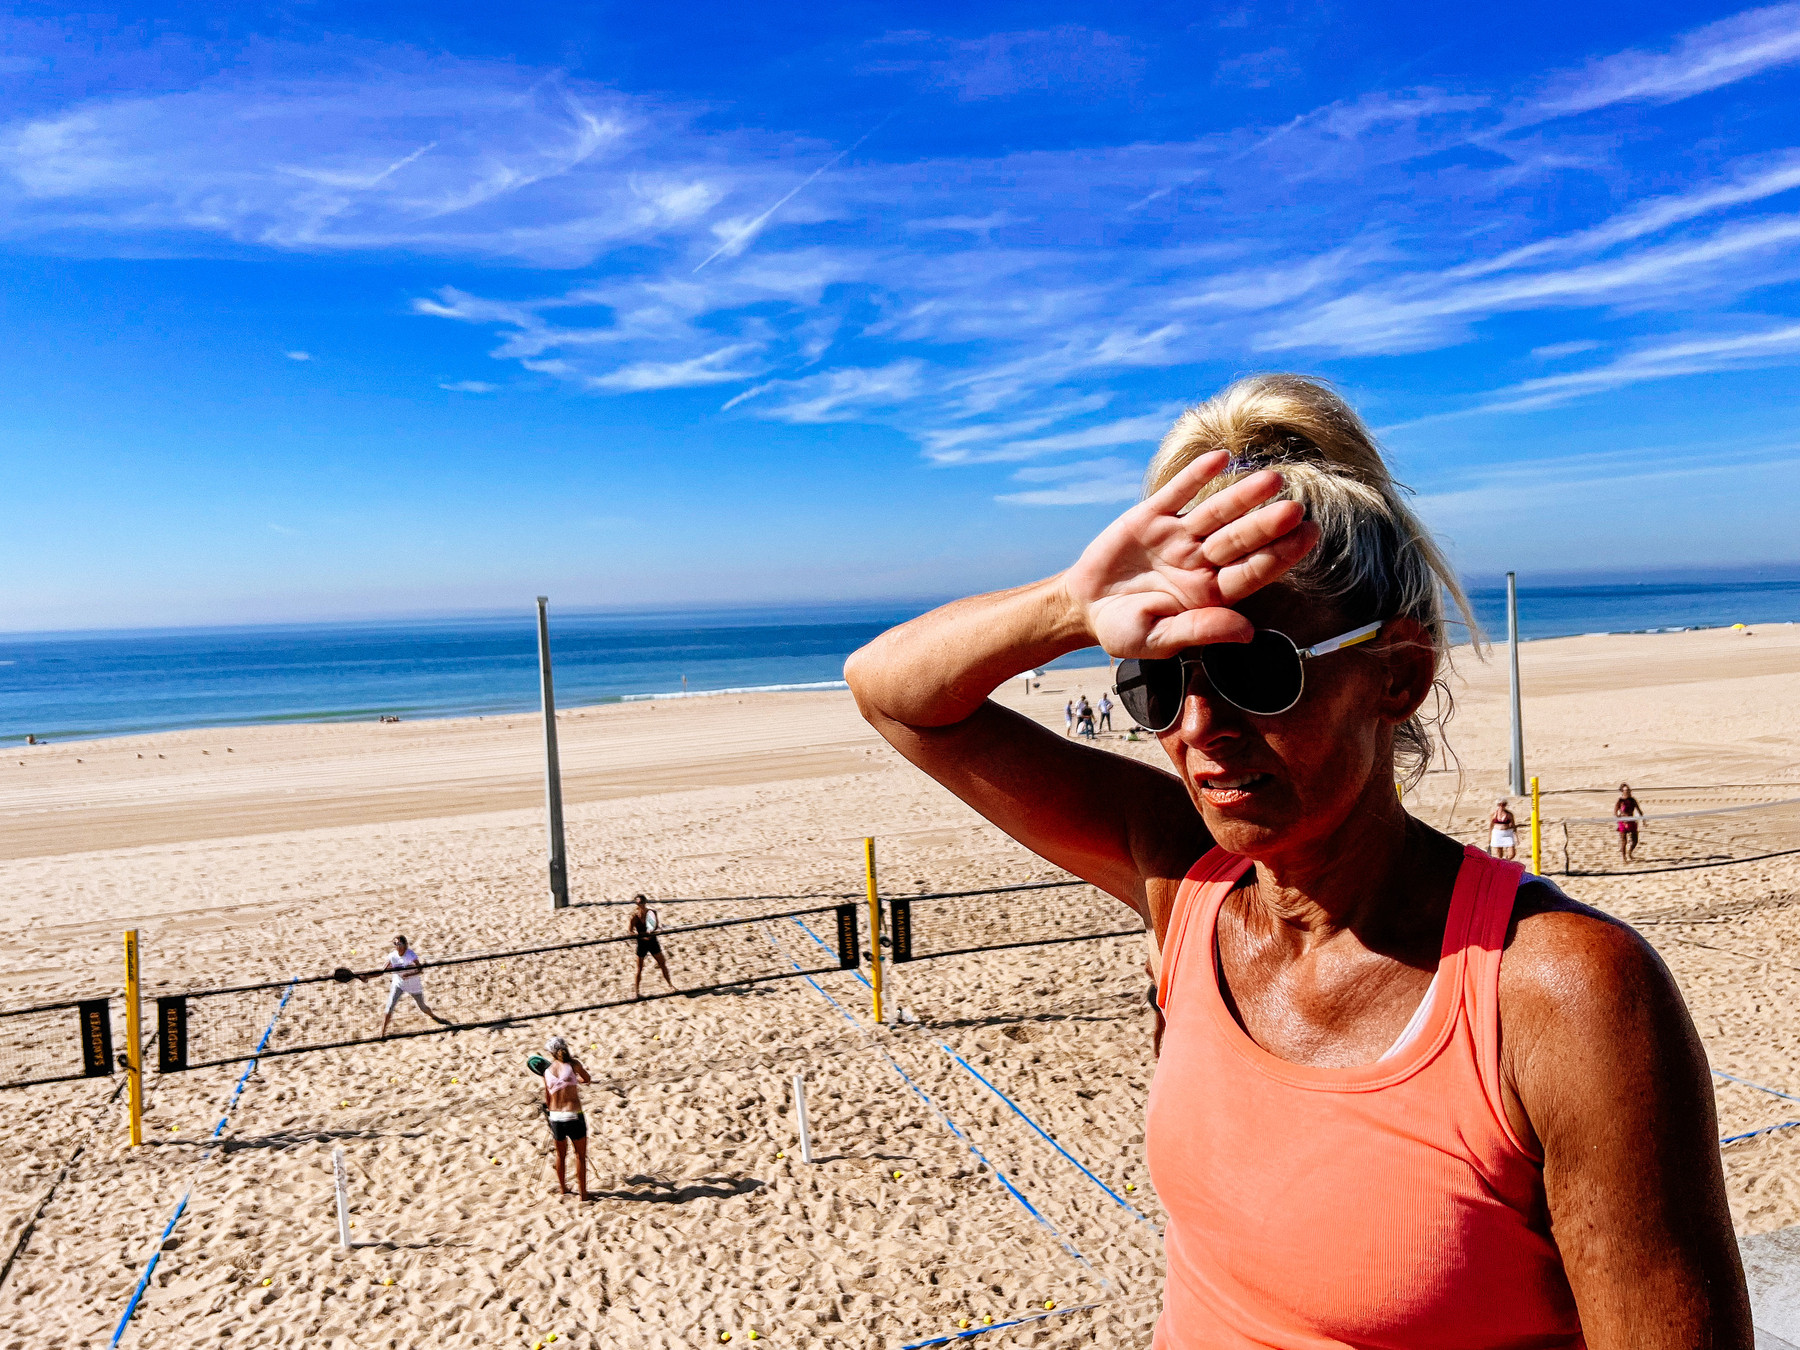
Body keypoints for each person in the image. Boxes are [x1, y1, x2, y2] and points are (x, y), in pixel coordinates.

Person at [844, 374, 1750, 1348]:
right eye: (1155, 678)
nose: (1199, 727)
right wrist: (1073, 603)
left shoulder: (1558, 994)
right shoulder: (1189, 886)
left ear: (1397, 673)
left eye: (1254, 669)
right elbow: (891, 690)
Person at [359, 935, 450, 1038]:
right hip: (398, 985)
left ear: (405, 945)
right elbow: (381, 971)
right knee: (389, 1008)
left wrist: (409, 975)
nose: (397, 946)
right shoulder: (392, 956)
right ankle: (382, 1034)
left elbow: (420, 970)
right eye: (395, 944)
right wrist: (367, 976)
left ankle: (433, 1016)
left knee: (423, 1007)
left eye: (399, 944)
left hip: (414, 985)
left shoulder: (411, 955)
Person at [541, 1036, 593, 1199]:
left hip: (556, 1117)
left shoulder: (547, 1072)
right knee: (580, 1156)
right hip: (574, 1115)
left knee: (560, 1155)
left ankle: (563, 1189)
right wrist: (574, 1080)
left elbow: (548, 1100)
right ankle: (583, 1194)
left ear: (551, 1053)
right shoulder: (573, 1064)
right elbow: (587, 1079)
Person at [629, 894, 674, 998]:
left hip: (653, 941)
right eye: (639, 903)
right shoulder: (634, 917)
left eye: (642, 902)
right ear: (636, 904)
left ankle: (670, 985)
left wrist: (658, 931)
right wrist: (640, 936)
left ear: (645, 902)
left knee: (662, 964)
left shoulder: (652, 913)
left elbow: (657, 926)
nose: (641, 905)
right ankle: (636, 992)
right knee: (639, 968)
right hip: (641, 943)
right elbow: (630, 931)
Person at [1616, 783, 1643, 862]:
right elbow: (1615, 812)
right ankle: (1624, 857)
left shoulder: (1633, 800)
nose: (1628, 792)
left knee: (1635, 840)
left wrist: (1643, 819)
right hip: (1623, 822)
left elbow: (1639, 809)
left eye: (1629, 790)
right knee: (1624, 841)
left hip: (1631, 821)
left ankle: (1630, 853)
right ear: (1623, 792)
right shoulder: (1620, 801)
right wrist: (1620, 820)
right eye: (1626, 790)